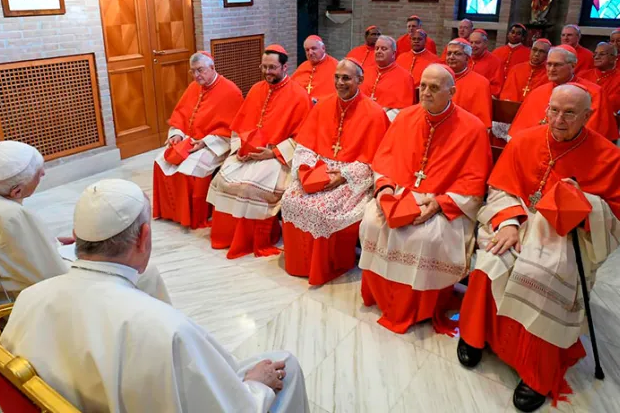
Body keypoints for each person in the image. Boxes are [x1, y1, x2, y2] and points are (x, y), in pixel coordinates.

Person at [0, 179, 310, 413]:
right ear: (145, 237)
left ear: (77, 237)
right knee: (286, 366)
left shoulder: (29, 297)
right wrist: (256, 385)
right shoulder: (168, 331)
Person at [457, 84, 620, 412]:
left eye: (570, 113)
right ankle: (475, 336)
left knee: (544, 276)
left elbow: (614, 216)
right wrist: (508, 223)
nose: (559, 119)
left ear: (588, 116)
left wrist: (584, 203)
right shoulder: (526, 140)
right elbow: (500, 187)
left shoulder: (609, 156)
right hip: (517, 221)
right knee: (490, 261)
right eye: (554, 110)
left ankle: (536, 372)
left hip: (565, 234)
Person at [0, 141, 170, 306]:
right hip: (22, 306)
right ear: (16, 191)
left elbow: (7, 253)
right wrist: (87, 255)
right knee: (144, 274)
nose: (44, 173)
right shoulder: (10, 217)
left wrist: (50, 243)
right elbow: (54, 277)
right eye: (39, 173)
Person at [359, 64, 492, 335]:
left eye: (434, 88)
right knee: (372, 222)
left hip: (444, 200)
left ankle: (419, 308)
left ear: (452, 91)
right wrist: (384, 189)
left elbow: (475, 181)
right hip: (400, 192)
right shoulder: (406, 117)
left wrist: (438, 204)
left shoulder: (473, 128)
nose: (425, 93)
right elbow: (385, 158)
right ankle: (384, 300)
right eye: (422, 86)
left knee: (426, 239)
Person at [281, 59, 389, 286]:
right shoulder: (322, 105)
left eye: (346, 78)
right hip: (318, 170)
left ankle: (326, 267)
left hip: (351, 177)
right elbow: (306, 144)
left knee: (324, 209)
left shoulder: (375, 113)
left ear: (360, 80)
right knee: (291, 198)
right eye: (337, 77)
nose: (340, 83)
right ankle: (299, 263)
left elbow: (374, 161)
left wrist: (343, 176)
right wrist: (306, 170)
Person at [207, 45, 311, 259]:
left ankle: (253, 240)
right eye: (264, 67)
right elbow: (240, 125)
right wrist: (240, 149)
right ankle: (226, 237)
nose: (267, 72)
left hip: (277, 157)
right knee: (224, 179)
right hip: (249, 153)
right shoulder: (256, 89)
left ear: (285, 67)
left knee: (248, 188)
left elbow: (303, 139)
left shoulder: (299, 96)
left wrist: (272, 153)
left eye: (272, 67)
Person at [153, 52, 243, 230]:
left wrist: (204, 142)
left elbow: (233, 130)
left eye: (200, 70)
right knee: (160, 162)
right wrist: (176, 134)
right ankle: (170, 213)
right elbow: (180, 114)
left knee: (190, 169)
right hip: (188, 140)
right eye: (193, 71)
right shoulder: (194, 87)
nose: (196, 76)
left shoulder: (230, 91)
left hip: (214, 143)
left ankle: (191, 217)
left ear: (212, 68)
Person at [508, 45, 619, 142]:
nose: (551, 69)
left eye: (557, 65)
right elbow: (518, 132)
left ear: (573, 65)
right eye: (549, 64)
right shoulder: (537, 92)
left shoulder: (593, 93)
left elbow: (593, 134)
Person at [359, 35, 415, 121]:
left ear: (393, 53)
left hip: (386, 122)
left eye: (383, 49)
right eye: (377, 48)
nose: (379, 51)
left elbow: (402, 110)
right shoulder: (365, 72)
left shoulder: (405, 77)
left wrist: (380, 116)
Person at [445, 38, 492, 128]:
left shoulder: (481, 83)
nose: (451, 57)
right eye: (449, 53)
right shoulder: (439, 77)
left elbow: (482, 122)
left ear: (467, 58)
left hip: (464, 131)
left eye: (457, 53)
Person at [291, 35, 338, 103]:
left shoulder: (336, 66)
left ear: (323, 48)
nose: (310, 53)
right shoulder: (303, 66)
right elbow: (291, 88)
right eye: (307, 50)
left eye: (313, 48)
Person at [579, 42, 620, 117]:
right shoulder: (582, 75)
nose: (596, 57)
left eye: (602, 54)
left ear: (613, 58)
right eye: (595, 54)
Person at [469, 29, 503, 96]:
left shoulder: (495, 62)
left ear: (485, 44)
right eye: (471, 42)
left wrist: (476, 90)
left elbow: (497, 88)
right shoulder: (465, 57)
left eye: (477, 42)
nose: (473, 45)